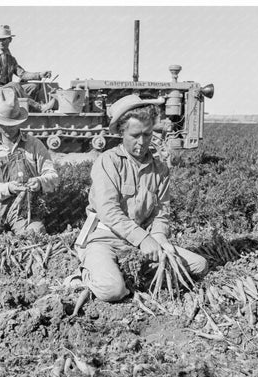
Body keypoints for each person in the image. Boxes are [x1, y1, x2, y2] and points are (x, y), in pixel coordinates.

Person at [72, 94, 208, 302]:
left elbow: (161, 212)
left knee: (199, 265)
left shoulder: (160, 169)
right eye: (135, 135)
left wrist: (159, 237)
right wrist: (144, 239)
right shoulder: (108, 162)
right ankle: (84, 275)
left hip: (139, 243)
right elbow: (109, 212)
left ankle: (130, 275)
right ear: (121, 132)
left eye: (147, 134)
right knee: (112, 291)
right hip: (104, 240)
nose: (142, 142)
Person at [0, 87, 59, 237]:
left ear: (20, 121)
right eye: (3, 124)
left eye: (12, 124)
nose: (8, 128)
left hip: (24, 211)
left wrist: (40, 182)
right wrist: (7, 188)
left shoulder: (34, 145)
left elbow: (53, 176)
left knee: (35, 235)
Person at [0, 24, 55, 112]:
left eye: (4, 39)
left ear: (10, 40)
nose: (1, 42)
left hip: (6, 88)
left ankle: (29, 109)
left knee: (33, 86)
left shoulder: (11, 59)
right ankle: (39, 107)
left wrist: (40, 74)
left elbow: (22, 74)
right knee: (14, 85)